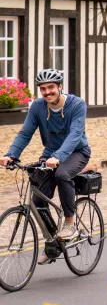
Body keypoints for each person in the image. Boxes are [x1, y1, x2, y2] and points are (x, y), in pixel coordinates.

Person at [0, 69, 91, 264]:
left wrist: (59, 156)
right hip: (51, 155)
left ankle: (69, 223)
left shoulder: (77, 105)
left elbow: (75, 135)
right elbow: (25, 133)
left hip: (77, 152)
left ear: (60, 86)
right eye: (43, 89)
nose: (47, 92)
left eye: (51, 87)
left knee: (63, 175)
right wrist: (11, 154)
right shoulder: (38, 107)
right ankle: (53, 245)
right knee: (37, 201)